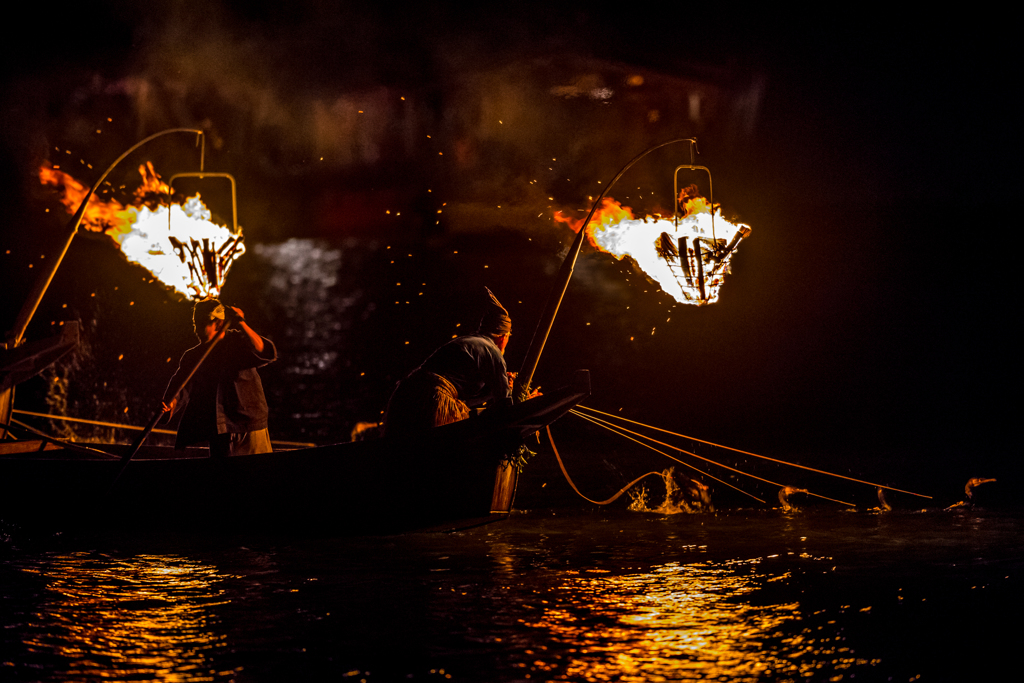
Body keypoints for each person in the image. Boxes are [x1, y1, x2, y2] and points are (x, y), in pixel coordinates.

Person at [383, 287, 516, 437]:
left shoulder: (467, 342)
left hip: (407, 395)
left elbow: (461, 401)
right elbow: (504, 403)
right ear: (504, 337)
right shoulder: (491, 350)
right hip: (432, 401)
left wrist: (490, 395)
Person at [162, 299, 277, 457]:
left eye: (201, 323)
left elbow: (264, 352)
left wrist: (241, 323)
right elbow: (182, 387)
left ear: (218, 324)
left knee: (255, 475)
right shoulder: (193, 356)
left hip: (249, 426)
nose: (196, 329)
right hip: (219, 429)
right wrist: (170, 404)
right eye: (195, 324)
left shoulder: (238, 343)